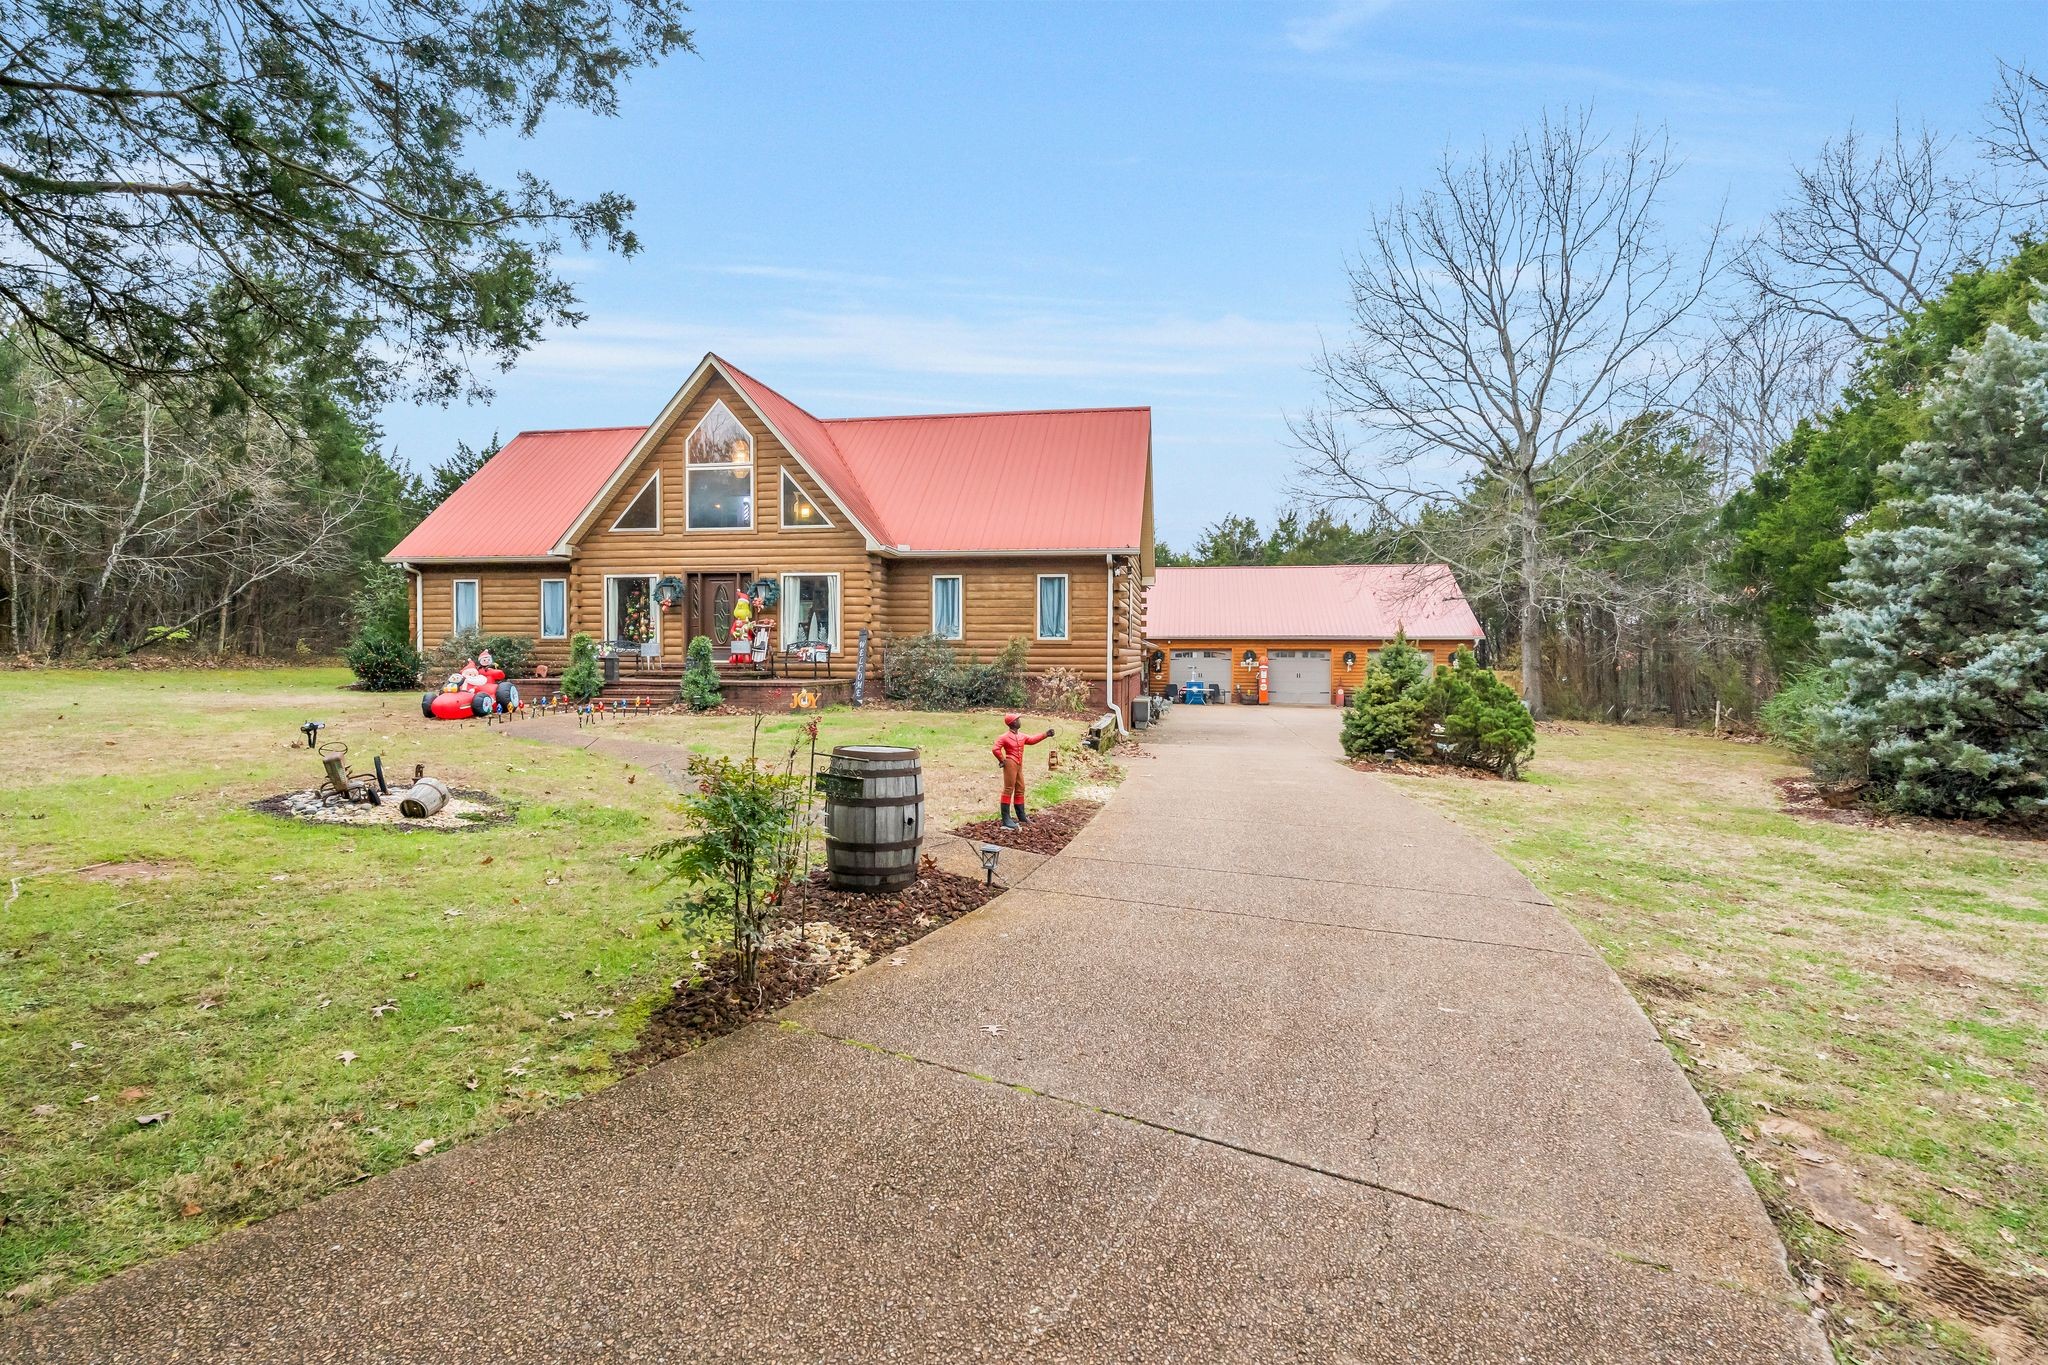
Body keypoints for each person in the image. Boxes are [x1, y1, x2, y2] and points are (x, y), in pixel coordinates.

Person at [991, 712, 1053, 829]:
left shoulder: (1021, 736)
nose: (1020, 721)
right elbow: (995, 749)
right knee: (1009, 788)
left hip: (1019, 764)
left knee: (1020, 788)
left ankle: (1021, 815)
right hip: (1010, 763)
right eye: (1018, 719)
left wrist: (1046, 734)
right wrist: (1002, 760)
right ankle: (1006, 818)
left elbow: (1032, 740)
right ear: (1013, 722)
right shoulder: (1004, 737)